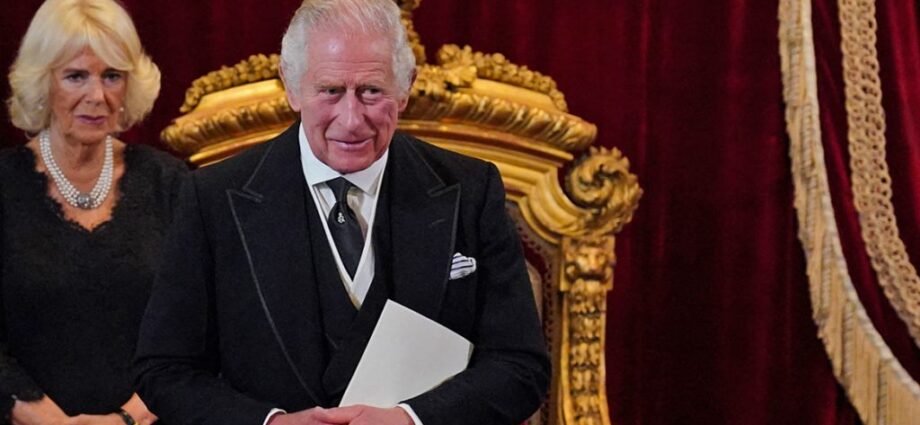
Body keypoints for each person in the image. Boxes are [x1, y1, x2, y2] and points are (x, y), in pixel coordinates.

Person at [133, 0, 549, 424]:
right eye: (331, 91)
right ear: (291, 87)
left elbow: (521, 367)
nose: (351, 120)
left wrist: (410, 419)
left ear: (405, 88)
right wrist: (271, 423)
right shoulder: (213, 198)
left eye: (372, 91)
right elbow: (165, 371)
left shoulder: (472, 189)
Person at [0, 0, 187, 424]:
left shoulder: (169, 183)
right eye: (76, 76)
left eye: (112, 76)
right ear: (44, 82)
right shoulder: (5, 187)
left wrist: (126, 419)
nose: (97, 96)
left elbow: (196, 328)